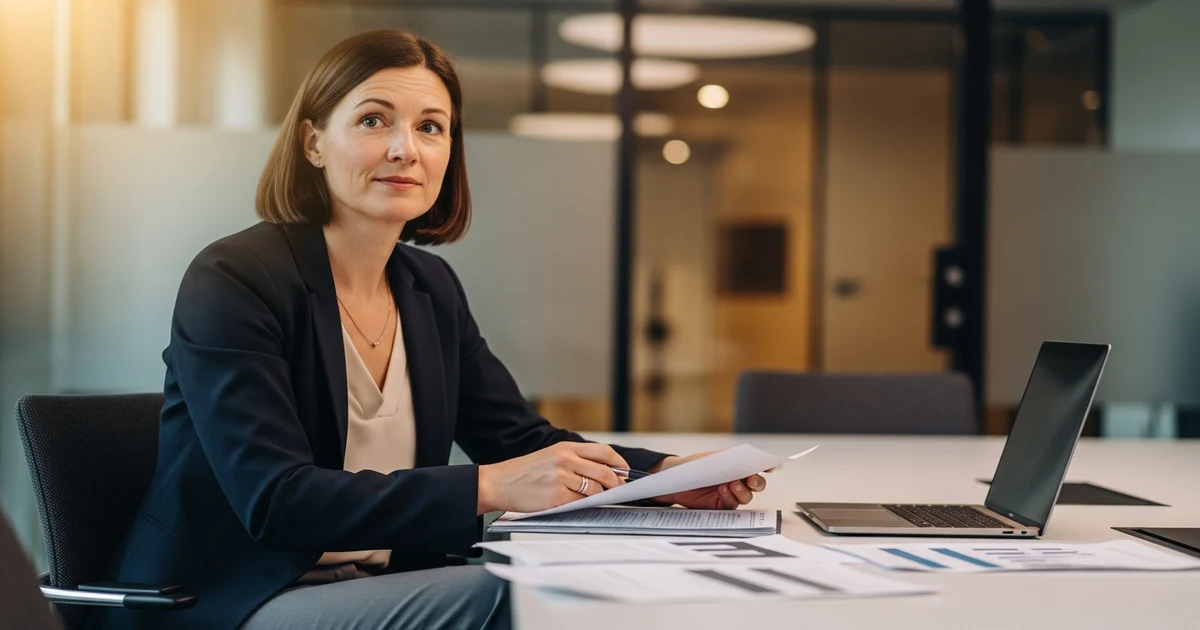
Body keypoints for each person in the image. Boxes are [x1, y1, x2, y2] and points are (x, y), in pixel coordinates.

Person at [87, 30, 768, 630]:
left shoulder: (428, 289)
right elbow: (277, 501)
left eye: (431, 127)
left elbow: (521, 440)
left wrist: (661, 478)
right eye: (375, 119)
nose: (404, 148)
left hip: (374, 585)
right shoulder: (235, 277)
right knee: (526, 598)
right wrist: (492, 487)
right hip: (233, 599)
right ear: (314, 142)